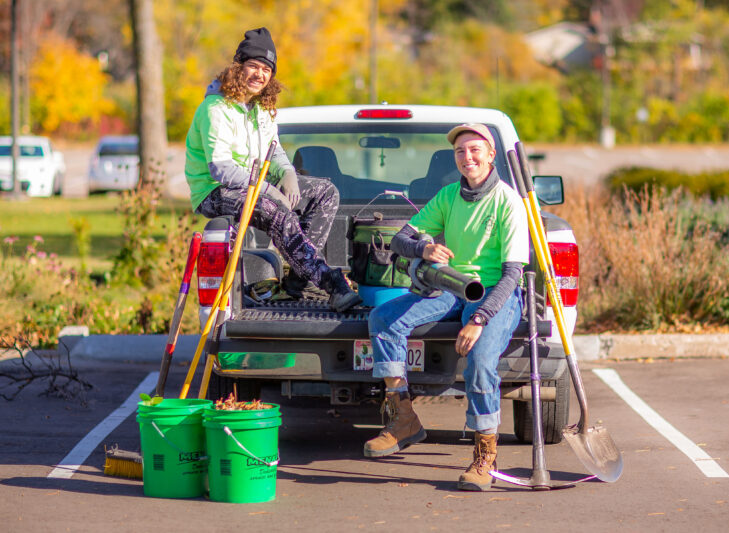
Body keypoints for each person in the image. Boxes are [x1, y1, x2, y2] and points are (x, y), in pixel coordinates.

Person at [365, 123, 529, 491]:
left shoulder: (508, 202)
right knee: (384, 318)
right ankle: (404, 419)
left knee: (482, 360)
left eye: (474, 150)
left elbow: (512, 275)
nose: (467, 157)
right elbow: (401, 239)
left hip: (494, 295)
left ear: (490, 154)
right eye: (460, 152)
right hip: (454, 287)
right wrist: (424, 249)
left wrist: (480, 319)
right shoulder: (448, 196)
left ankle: (485, 455)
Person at [185, 27, 360, 311]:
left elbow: (273, 150)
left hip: (254, 184)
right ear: (237, 66)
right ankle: (332, 285)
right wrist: (266, 189)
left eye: (266, 69)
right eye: (253, 65)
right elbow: (220, 168)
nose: (260, 74)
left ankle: (296, 285)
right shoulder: (215, 109)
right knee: (273, 209)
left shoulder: (261, 108)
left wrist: (288, 174)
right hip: (215, 191)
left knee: (324, 193)